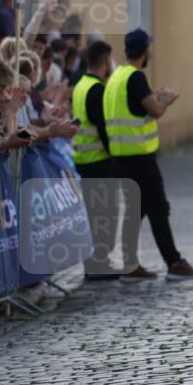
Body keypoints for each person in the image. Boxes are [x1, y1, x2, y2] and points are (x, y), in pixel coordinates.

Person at [103, 28, 193, 282]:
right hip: (140, 158)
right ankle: (174, 263)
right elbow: (155, 110)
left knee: (135, 211)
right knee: (158, 208)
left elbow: (133, 105)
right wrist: (166, 100)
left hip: (120, 158)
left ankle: (129, 265)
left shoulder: (117, 76)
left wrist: (154, 95)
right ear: (145, 50)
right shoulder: (136, 77)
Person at [71, 40, 122, 282]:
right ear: (106, 60)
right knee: (104, 214)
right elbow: (104, 129)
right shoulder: (96, 90)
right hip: (99, 161)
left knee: (93, 215)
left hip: (83, 160)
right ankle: (100, 262)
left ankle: (94, 263)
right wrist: (116, 155)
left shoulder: (80, 85)